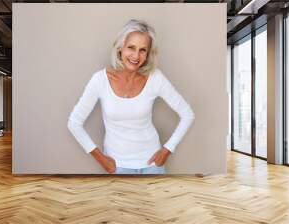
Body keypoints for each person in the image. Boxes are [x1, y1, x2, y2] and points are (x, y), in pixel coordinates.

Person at [68, 19, 195, 174]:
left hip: (153, 165)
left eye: (143, 50)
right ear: (120, 48)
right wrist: (102, 159)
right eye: (131, 47)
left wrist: (167, 150)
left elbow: (187, 113)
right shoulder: (100, 80)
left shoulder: (155, 78)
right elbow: (74, 123)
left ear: (148, 54)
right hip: (117, 166)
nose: (136, 56)